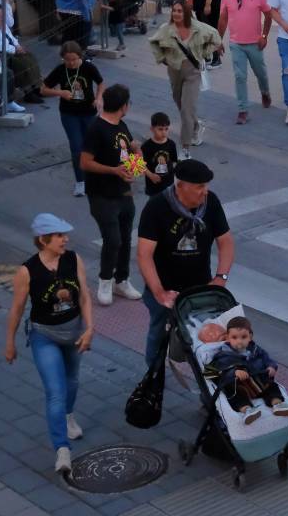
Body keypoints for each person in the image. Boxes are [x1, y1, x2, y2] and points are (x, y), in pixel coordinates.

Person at [3, 213, 94, 475]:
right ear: (43, 240)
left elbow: (84, 296)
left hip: (74, 332)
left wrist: (90, 328)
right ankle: (62, 449)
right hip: (45, 335)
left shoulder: (73, 259)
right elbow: (17, 309)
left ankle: (67, 416)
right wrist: (10, 343)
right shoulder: (27, 271)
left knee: (72, 381)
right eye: (59, 236)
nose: (65, 240)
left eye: (65, 235)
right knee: (55, 391)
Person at [137, 158, 234, 370]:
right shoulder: (156, 207)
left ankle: (209, 385)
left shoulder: (211, 203)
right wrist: (159, 292)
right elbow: (144, 255)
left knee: (208, 340)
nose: (205, 192)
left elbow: (226, 242)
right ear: (181, 186)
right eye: (200, 187)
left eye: (206, 186)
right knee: (158, 335)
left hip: (199, 288)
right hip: (165, 288)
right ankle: (153, 376)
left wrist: (221, 278)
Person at [79, 83, 143, 306]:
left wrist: (137, 155)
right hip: (101, 195)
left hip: (124, 193)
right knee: (112, 239)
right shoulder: (96, 129)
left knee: (125, 239)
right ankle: (105, 281)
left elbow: (133, 163)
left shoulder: (122, 126)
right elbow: (85, 162)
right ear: (123, 106)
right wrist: (113, 170)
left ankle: (121, 280)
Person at [150, 0, 222, 159]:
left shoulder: (199, 28)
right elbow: (153, 42)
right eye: (174, 10)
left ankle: (185, 148)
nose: (176, 13)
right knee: (180, 103)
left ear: (187, 13)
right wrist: (162, 58)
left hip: (192, 72)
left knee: (186, 110)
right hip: (174, 71)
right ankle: (196, 126)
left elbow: (216, 38)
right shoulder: (166, 29)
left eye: (180, 11)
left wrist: (205, 53)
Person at [41, 42, 105, 197]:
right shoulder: (60, 69)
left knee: (92, 146)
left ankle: (95, 176)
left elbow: (101, 83)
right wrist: (60, 93)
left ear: (80, 57)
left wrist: (98, 98)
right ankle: (80, 181)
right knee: (77, 147)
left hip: (88, 113)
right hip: (69, 114)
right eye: (67, 60)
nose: (70, 63)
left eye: (74, 59)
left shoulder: (88, 67)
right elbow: (43, 89)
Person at [205, 316, 288, 422]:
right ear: (227, 338)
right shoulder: (223, 355)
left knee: (272, 386)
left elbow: (267, 358)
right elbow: (209, 373)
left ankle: (277, 404)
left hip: (257, 382)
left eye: (243, 337)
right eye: (234, 337)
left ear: (250, 337)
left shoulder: (255, 350)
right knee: (234, 395)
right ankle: (247, 410)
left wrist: (271, 366)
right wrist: (233, 372)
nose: (239, 341)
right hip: (239, 387)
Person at [217, 0, 272, 125]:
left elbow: (268, 15)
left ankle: (265, 92)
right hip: (236, 44)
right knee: (240, 76)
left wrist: (264, 36)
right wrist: (218, 40)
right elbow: (223, 19)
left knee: (261, 73)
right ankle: (242, 110)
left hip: (255, 43)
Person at [0, 3, 44, 103]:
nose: (1, 17)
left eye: (2, 15)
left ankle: (36, 87)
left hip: (12, 50)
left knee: (30, 57)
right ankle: (28, 92)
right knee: (22, 64)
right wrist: (15, 50)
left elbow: (11, 38)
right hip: (1, 54)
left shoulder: (3, 25)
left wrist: (18, 46)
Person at [141, 112, 178, 197]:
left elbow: (173, 162)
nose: (164, 132)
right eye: (160, 129)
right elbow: (141, 165)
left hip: (169, 184)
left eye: (166, 129)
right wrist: (150, 175)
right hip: (153, 186)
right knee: (154, 203)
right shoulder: (147, 146)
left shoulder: (171, 144)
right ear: (152, 129)